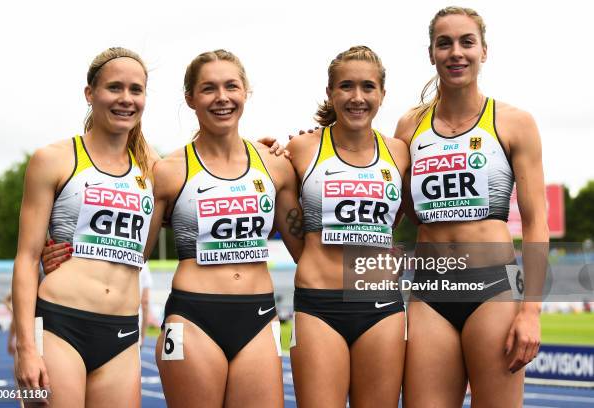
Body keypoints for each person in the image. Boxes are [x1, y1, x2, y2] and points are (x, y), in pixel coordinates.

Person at [393, 7, 548, 407]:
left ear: (484, 50)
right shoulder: (409, 127)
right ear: (431, 53)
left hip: (493, 289)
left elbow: (535, 223)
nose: (455, 52)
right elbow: (399, 204)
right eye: (444, 43)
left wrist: (530, 312)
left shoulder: (514, 123)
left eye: (466, 42)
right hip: (431, 290)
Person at [147, 49, 303, 407]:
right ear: (190, 98)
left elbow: (306, 251)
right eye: (208, 89)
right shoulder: (169, 171)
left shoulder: (275, 165)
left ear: (245, 91)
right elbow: (132, 251)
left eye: (231, 86)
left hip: (259, 316)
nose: (222, 98)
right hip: (193, 317)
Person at [12, 47, 158, 407]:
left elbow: (218, 166)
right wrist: (26, 348)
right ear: (90, 94)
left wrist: (268, 152)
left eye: (135, 90)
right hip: (61, 326)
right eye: (114, 88)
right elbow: (28, 258)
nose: (126, 99)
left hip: (123, 334)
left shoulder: (155, 168)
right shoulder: (54, 159)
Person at [286, 46, 409, 407]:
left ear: (382, 95)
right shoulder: (300, 149)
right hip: (318, 306)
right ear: (330, 92)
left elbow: (397, 215)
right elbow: (284, 213)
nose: (357, 97)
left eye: (368, 87)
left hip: (381, 307)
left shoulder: (399, 153)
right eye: (346, 86)